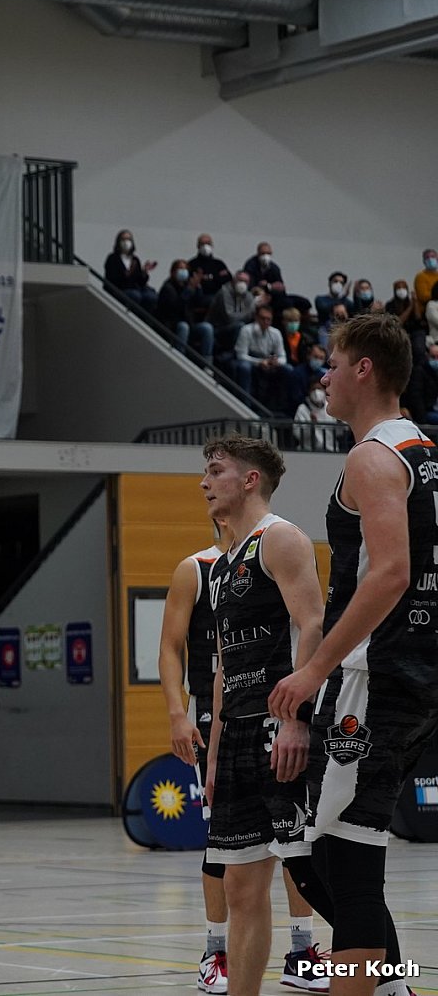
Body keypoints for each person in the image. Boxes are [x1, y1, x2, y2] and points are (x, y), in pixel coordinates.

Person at [269, 313, 438, 996]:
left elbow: (391, 571)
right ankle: (394, 985)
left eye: (333, 364)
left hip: (374, 672)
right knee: (319, 851)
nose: (324, 378)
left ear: (363, 369)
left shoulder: (372, 456)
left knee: (346, 860)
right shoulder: (426, 452)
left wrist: (314, 668)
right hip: (414, 672)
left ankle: (381, 986)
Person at [200, 437, 332, 996]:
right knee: (240, 888)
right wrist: (214, 754)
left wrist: (296, 719)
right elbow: (224, 667)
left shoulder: (280, 538)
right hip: (237, 734)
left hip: (281, 729)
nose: (204, 482)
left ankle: (389, 980)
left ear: (250, 479)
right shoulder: (220, 566)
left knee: (320, 881)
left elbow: (313, 625)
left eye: (216, 471)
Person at [158, 524, 234, 994]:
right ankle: (215, 951)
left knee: (295, 838)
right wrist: (176, 713)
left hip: (272, 706)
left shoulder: (279, 549)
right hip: (209, 709)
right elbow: (170, 647)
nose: (208, 491)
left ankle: (301, 949)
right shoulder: (196, 568)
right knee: (222, 836)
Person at [104, 229, 157, 309]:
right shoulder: (112, 258)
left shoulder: (135, 259)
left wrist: (144, 271)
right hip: (120, 289)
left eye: (129, 239)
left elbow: (140, 281)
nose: (126, 242)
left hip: (135, 289)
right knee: (135, 295)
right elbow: (112, 278)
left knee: (151, 297)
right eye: (123, 239)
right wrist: (126, 274)